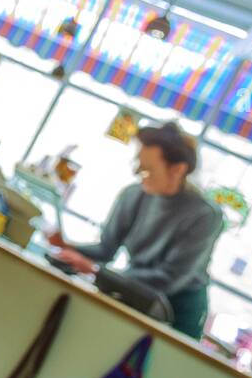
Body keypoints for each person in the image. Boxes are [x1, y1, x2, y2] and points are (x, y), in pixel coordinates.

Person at [48, 122, 224, 340]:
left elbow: (169, 279)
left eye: (147, 169)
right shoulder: (133, 195)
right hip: (132, 290)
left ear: (178, 169)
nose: (138, 173)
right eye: (138, 165)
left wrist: (96, 271)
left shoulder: (204, 215)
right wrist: (66, 247)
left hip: (178, 310)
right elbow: (106, 249)